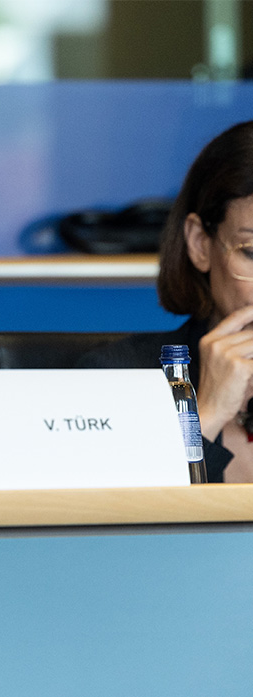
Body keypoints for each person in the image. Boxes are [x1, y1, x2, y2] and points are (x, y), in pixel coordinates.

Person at [80, 120, 253, 483]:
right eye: (251, 253)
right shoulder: (118, 378)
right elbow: (119, 531)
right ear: (200, 244)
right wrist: (206, 413)